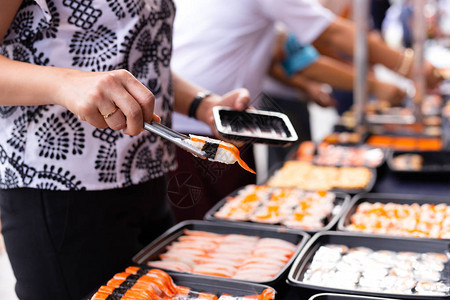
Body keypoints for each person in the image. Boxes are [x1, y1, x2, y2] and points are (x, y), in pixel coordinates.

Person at [0, 1, 250, 299]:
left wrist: (202, 104)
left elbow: (135, 56)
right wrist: (65, 83)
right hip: (61, 189)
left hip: (149, 174)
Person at [170, 0, 443, 220]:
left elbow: (284, 53)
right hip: (198, 125)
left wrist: (303, 85)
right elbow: (331, 33)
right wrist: (408, 67)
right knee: (212, 224)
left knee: (234, 212)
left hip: (222, 118)